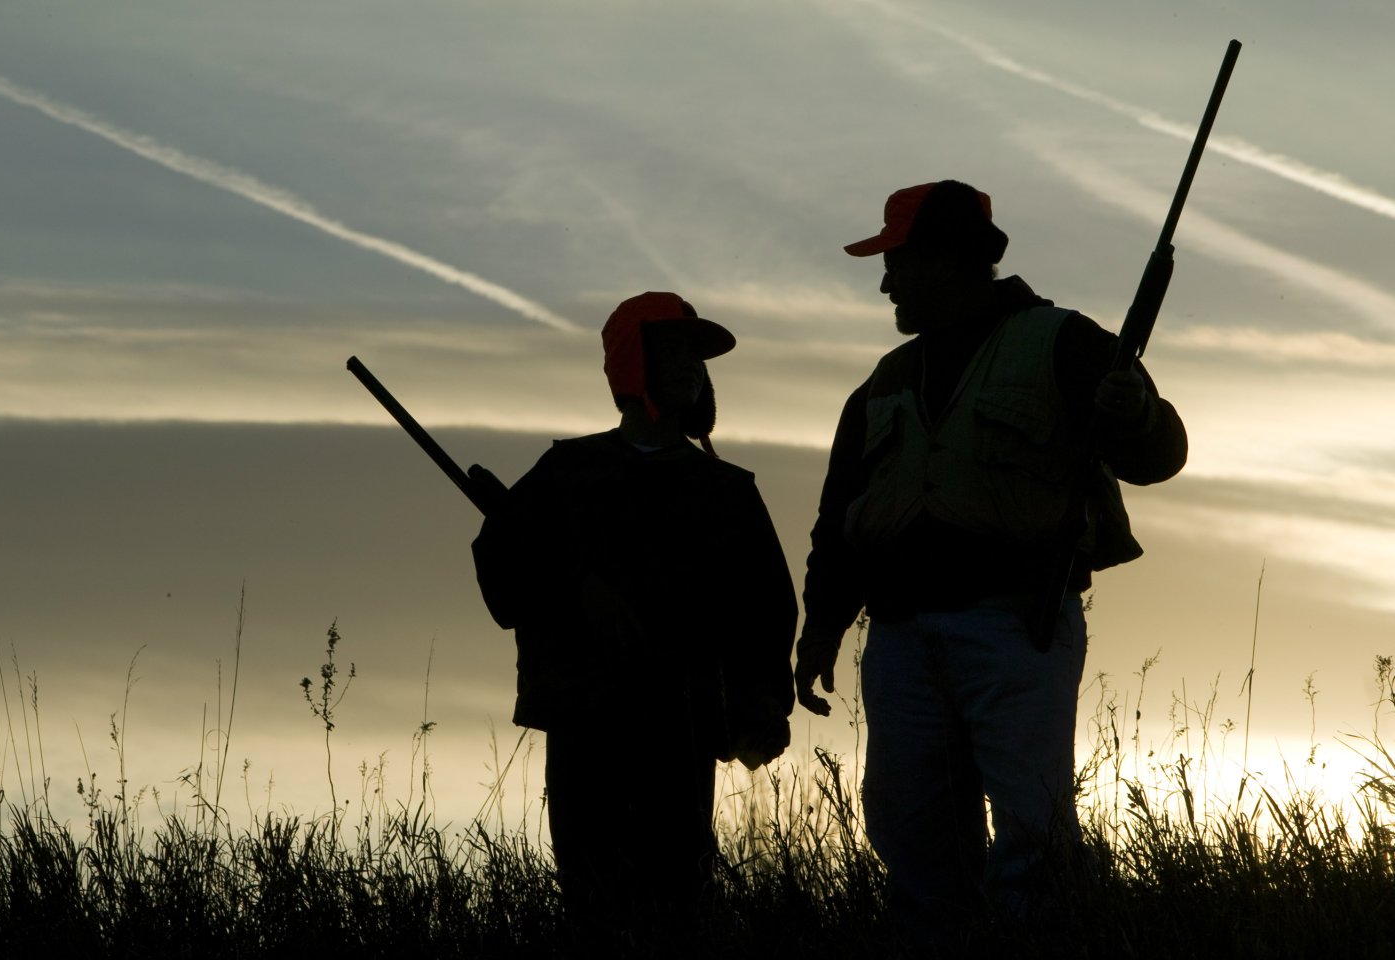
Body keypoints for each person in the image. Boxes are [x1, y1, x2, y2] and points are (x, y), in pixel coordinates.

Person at [794, 180, 1188, 922]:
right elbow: (840, 518)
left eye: (897, 262)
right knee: (909, 828)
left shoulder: (1065, 342)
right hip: (900, 635)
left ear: (947, 259)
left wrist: (1134, 415)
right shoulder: (882, 382)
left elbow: (1157, 455)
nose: (885, 282)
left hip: (1015, 626)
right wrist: (822, 625)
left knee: (1031, 829)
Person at [471, 291, 797, 933]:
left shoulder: (729, 491)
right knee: (591, 900)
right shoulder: (568, 472)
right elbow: (505, 578)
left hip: (682, 725)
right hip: (586, 722)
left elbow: (768, 613)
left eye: (697, 359)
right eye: (673, 352)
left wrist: (762, 707)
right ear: (631, 366)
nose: (692, 369)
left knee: (679, 899)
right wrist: (576, 590)